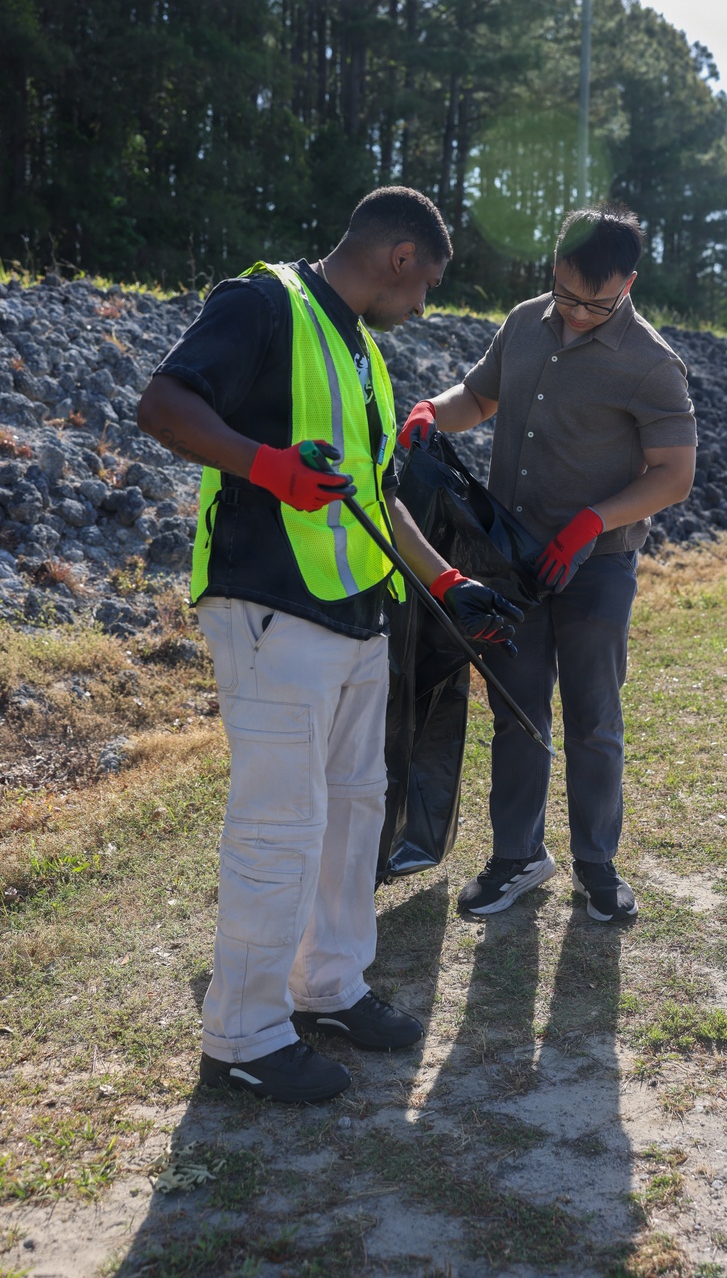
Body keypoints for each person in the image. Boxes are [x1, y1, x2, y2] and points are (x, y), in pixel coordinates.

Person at [137, 187, 521, 1103]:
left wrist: (446, 582)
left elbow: (377, 494)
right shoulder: (263, 302)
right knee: (280, 825)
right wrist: (269, 468)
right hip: (273, 608)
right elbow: (163, 405)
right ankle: (244, 1035)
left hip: (357, 617)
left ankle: (330, 986)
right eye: (426, 284)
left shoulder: (364, 353)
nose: (422, 304)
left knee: (355, 812)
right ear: (399, 256)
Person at [399, 205, 697, 924]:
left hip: (598, 566)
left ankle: (597, 864)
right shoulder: (524, 322)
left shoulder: (652, 363)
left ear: (628, 284)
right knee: (515, 709)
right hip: (511, 561)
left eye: (597, 304)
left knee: (594, 718)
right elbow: (478, 396)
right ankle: (517, 856)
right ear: (554, 268)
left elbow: (674, 474)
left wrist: (592, 521)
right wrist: (433, 410)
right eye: (566, 294)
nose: (577, 313)